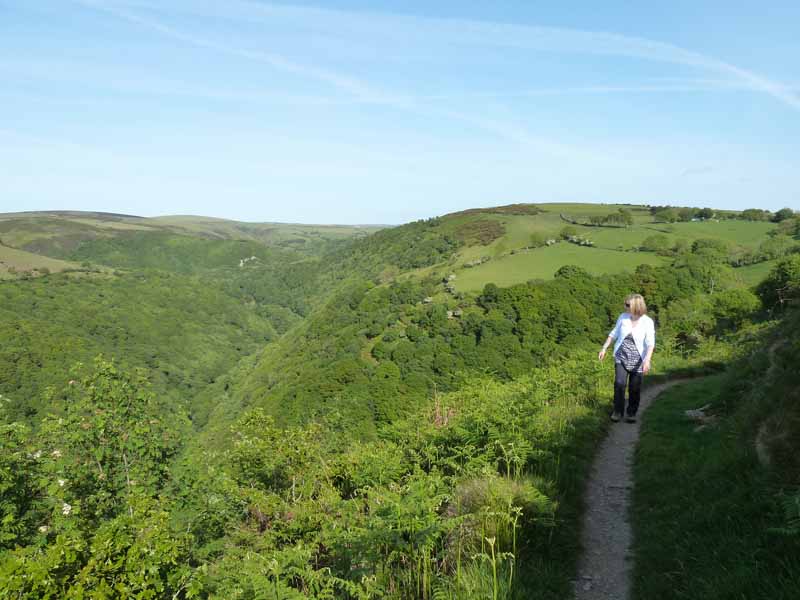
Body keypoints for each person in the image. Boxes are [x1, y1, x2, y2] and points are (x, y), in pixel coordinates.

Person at [598, 293, 655, 423]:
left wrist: (647, 360)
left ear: (636, 306)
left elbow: (650, 343)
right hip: (621, 356)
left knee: (635, 387)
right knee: (619, 384)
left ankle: (631, 413)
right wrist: (604, 348)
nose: (625, 307)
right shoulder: (623, 317)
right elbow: (614, 334)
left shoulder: (647, 322)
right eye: (625, 304)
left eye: (628, 305)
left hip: (639, 360)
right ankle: (617, 411)